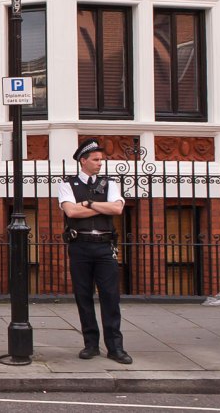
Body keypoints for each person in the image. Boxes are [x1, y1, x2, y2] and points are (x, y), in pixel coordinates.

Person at [58, 138, 132, 364]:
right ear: (83, 160)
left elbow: (117, 208)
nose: (101, 163)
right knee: (83, 296)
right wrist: (100, 207)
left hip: (104, 246)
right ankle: (90, 344)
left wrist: (88, 204)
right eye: (96, 159)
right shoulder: (67, 184)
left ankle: (115, 347)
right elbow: (71, 213)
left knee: (110, 297)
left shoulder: (109, 183)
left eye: (102, 159)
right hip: (79, 246)